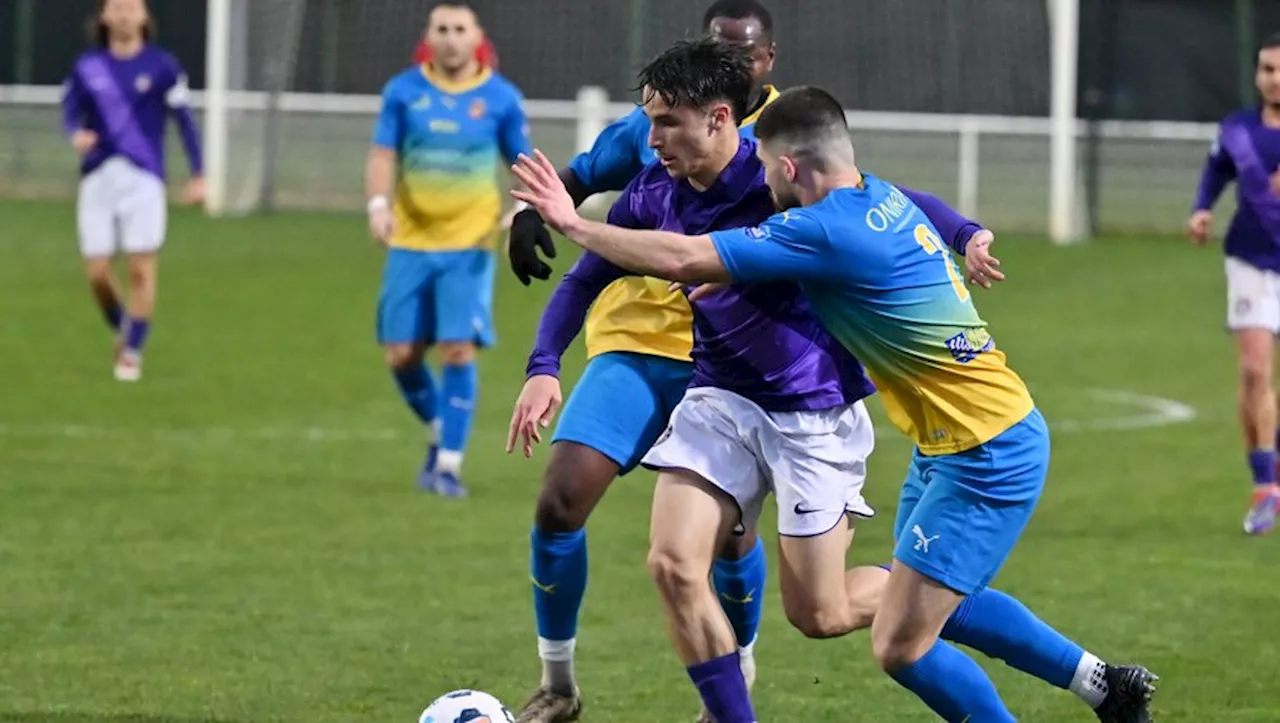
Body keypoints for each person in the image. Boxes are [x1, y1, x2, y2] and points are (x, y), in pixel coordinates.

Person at [511, 81, 1159, 722]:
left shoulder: (826, 230)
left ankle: (1099, 682)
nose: (761, 183)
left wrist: (571, 221)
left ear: (789, 166)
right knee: (919, 607)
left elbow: (686, 257)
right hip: (944, 444)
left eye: (766, 169)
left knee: (896, 637)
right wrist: (964, 233)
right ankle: (1104, 684)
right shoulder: (876, 200)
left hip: (988, 453)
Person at [501, 3, 780, 721]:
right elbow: (585, 216)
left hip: (728, 368)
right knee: (561, 498)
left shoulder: (783, 148)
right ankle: (557, 684)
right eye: (718, 44)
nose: (653, 136)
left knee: (729, 536)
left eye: (743, 51)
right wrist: (542, 362)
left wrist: (956, 238)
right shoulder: (656, 152)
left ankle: (734, 673)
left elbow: (868, 205)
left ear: (764, 64)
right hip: (634, 344)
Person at [366, 1, 531, 496]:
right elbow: (382, 153)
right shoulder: (404, 91)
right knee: (400, 354)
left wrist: (523, 207)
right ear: (429, 35)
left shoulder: (501, 98)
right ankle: (441, 431)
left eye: (460, 28)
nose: (451, 38)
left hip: (470, 243)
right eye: (442, 28)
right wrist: (378, 203)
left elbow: (521, 158)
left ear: (476, 36)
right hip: (410, 240)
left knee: (457, 348)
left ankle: (449, 466)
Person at [62, 0, 204, 382]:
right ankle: (124, 326)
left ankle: (132, 353)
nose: (124, 14)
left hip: (144, 180)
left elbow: (185, 121)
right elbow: (70, 110)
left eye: (131, 7)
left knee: (141, 269)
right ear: (104, 17)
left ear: (144, 16)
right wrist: (76, 134)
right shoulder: (87, 67)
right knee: (97, 273)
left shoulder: (162, 66)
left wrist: (199, 173)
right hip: (98, 178)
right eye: (117, 7)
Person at [1188, 33, 1280, 535]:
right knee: (1252, 372)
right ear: (1256, 74)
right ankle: (1264, 485)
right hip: (1251, 260)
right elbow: (1215, 170)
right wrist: (1202, 209)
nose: (1274, 78)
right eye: (1267, 69)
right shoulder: (1238, 129)